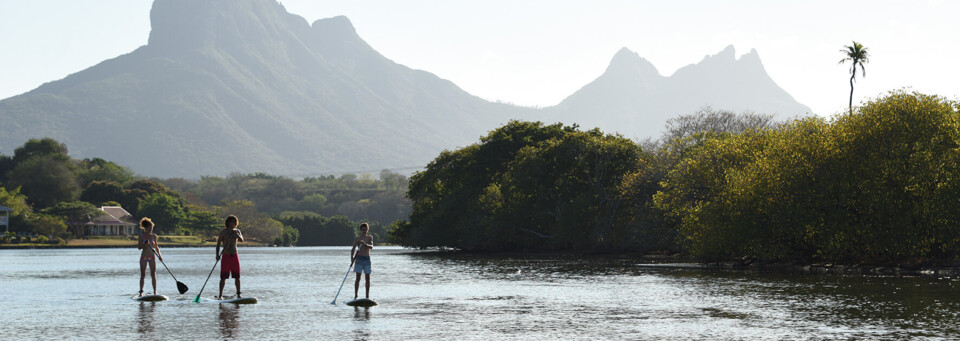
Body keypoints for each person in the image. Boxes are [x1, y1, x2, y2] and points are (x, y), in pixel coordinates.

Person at [216, 215, 244, 299]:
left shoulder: (237, 231)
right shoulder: (223, 232)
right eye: (231, 222)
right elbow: (218, 245)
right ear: (227, 223)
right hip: (226, 256)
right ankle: (220, 295)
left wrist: (237, 236)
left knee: (237, 276)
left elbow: (242, 240)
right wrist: (217, 255)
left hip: (234, 256)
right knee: (223, 277)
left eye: (234, 222)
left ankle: (238, 294)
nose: (232, 224)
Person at [137, 217, 163, 296]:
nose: (151, 229)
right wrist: (144, 244)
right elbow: (139, 247)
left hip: (152, 258)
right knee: (143, 275)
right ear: (146, 228)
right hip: (144, 258)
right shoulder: (141, 236)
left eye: (152, 228)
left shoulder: (154, 236)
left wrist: (160, 256)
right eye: (150, 228)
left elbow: (156, 247)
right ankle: (141, 291)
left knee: (153, 274)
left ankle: (155, 291)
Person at [351, 222, 374, 299]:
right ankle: (356, 296)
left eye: (366, 229)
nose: (364, 231)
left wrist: (365, 244)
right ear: (361, 230)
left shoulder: (369, 237)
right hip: (359, 259)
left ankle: (367, 296)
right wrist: (352, 259)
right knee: (358, 278)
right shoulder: (357, 239)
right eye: (363, 229)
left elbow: (371, 246)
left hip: (367, 259)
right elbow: (353, 249)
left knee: (367, 278)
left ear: (367, 230)